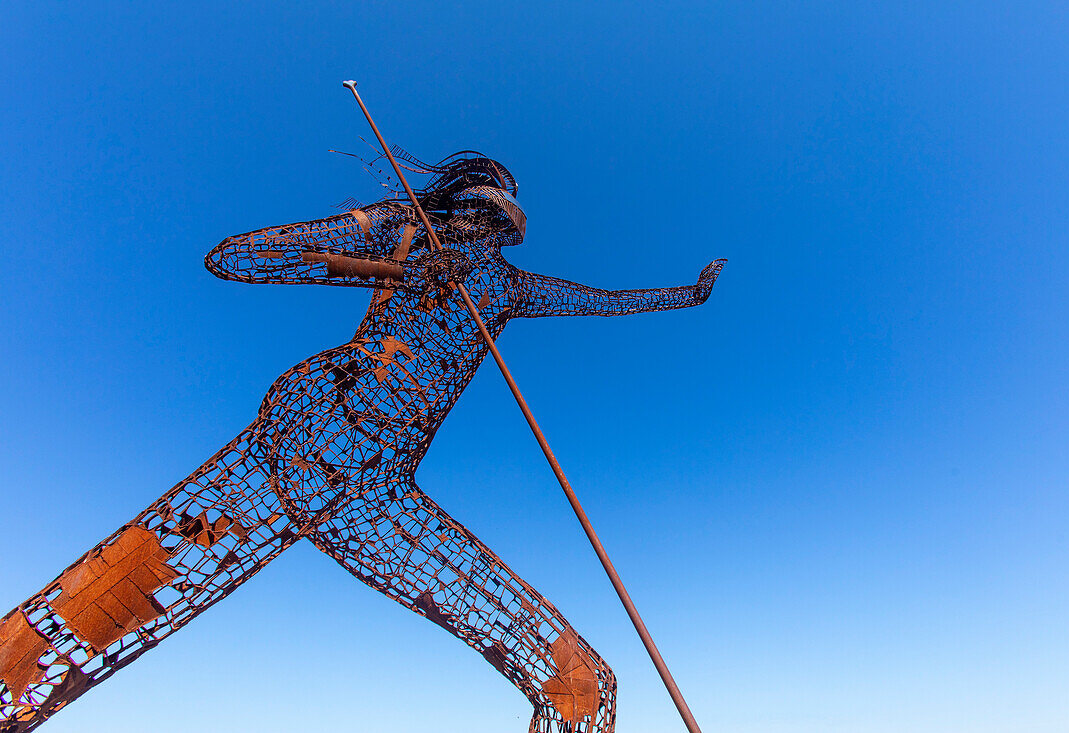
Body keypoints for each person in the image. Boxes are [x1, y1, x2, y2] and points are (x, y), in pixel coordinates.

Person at [0, 151, 724, 732]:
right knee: (57, 639)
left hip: (372, 486)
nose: (478, 222)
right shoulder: (399, 230)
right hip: (301, 434)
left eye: (493, 213)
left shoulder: (505, 288)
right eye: (468, 205)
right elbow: (238, 257)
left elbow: (601, 301)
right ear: (451, 204)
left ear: (508, 227)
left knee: (581, 686)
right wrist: (392, 260)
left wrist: (685, 297)